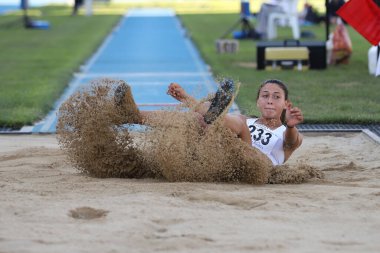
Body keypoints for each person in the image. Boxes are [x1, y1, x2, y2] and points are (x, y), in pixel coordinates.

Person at [115, 78, 304, 166]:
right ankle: (132, 116)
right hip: (227, 160)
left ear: (286, 104)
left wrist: (290, 125)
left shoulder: (288, 133)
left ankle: (213, 116)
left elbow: (290, 141)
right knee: (195, 120)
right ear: (258, 101)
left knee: (236, 123)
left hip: (258, 167)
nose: (270, 100)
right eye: (265, 96)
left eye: (276, 97)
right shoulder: (248, 121)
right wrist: (184, 98)